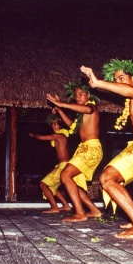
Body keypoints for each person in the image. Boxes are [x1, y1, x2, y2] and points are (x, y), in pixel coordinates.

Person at [81, 59, 133, 239]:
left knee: (107, 178)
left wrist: (98, 83)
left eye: (122, 77)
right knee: (110, 179)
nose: (119, 82)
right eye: (116, 79)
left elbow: (131, 91)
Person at [46, 80, 103, 222]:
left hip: (91, 149)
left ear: (89, 95)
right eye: (76, 95)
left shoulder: (91, 108)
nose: (78, 97)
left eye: (81, 94)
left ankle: (80, 213)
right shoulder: (82, 115)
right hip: (84, 150)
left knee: (65, 175)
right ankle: (94, 210)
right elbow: (72, 125)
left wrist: (62, 104)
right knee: (71, 181)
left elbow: (88, 109)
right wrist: (59, 110)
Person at [29, 113, 72, 213]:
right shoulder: (60, 136)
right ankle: (66, 206)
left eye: (55, 124)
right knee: (52, 187)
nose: (53, 126)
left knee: (43, 184)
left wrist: (33, 135)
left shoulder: (60, 135)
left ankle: (54, 207)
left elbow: (41, 138)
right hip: (62, 166)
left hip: (63, 166)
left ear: (60, 125)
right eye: (52, 124)